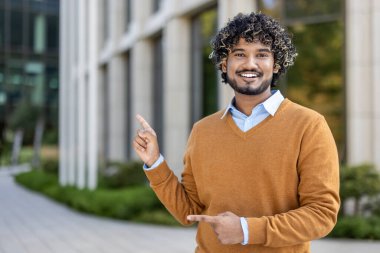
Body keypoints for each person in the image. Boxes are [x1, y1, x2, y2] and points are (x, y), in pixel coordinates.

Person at [133, 12, 340, 253]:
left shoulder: (309, 125)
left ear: (277, 64)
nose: (250, 64)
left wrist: (246, 230)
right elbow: (189, 212)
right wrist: (154, 162)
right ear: (224, 64)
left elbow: (321, 215)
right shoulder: (203, 130)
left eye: (262, 55)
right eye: (239, 54)